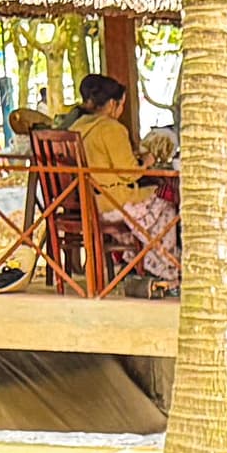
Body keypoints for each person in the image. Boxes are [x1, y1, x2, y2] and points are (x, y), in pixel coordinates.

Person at [70, 71, 177, 291]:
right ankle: (168, 270)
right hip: (111, 201)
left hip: (87, 200)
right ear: (111, 104)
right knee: (166, 207)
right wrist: (147, 160)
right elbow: (130, 173)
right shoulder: (112, 128)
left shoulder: (77, 127)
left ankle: (137, 265)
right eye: (121, 105)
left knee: (151, 207)